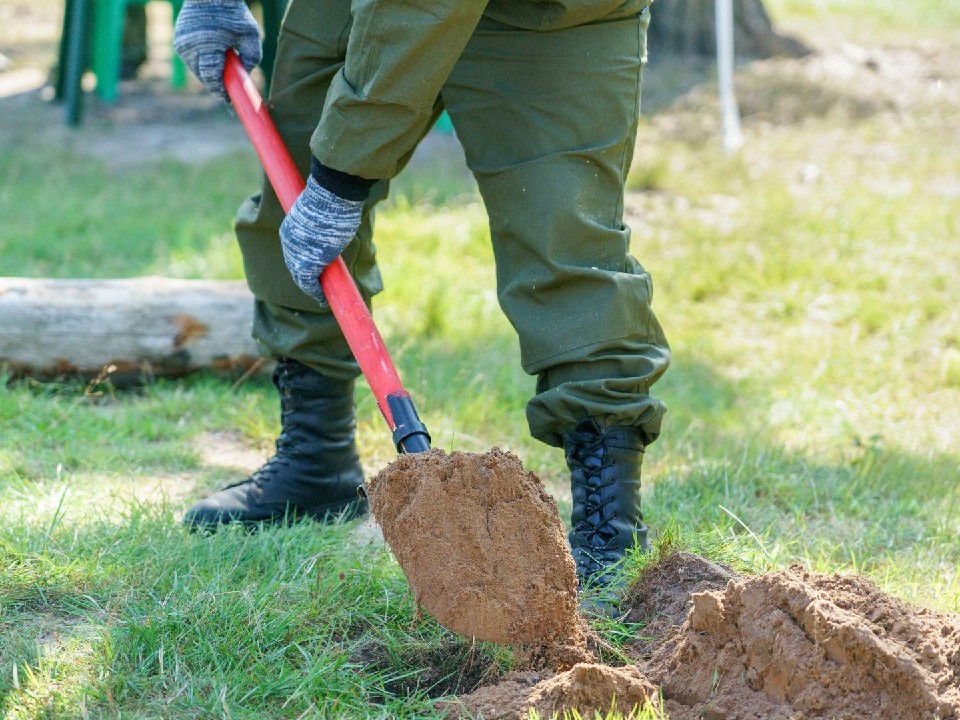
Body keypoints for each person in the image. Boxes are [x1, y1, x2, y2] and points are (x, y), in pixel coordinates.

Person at [172, 0, 671, 592]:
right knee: (296, 189)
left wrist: (343, 176)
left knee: (566, 232)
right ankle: (316, 457)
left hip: (556, 11)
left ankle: (608, 529)